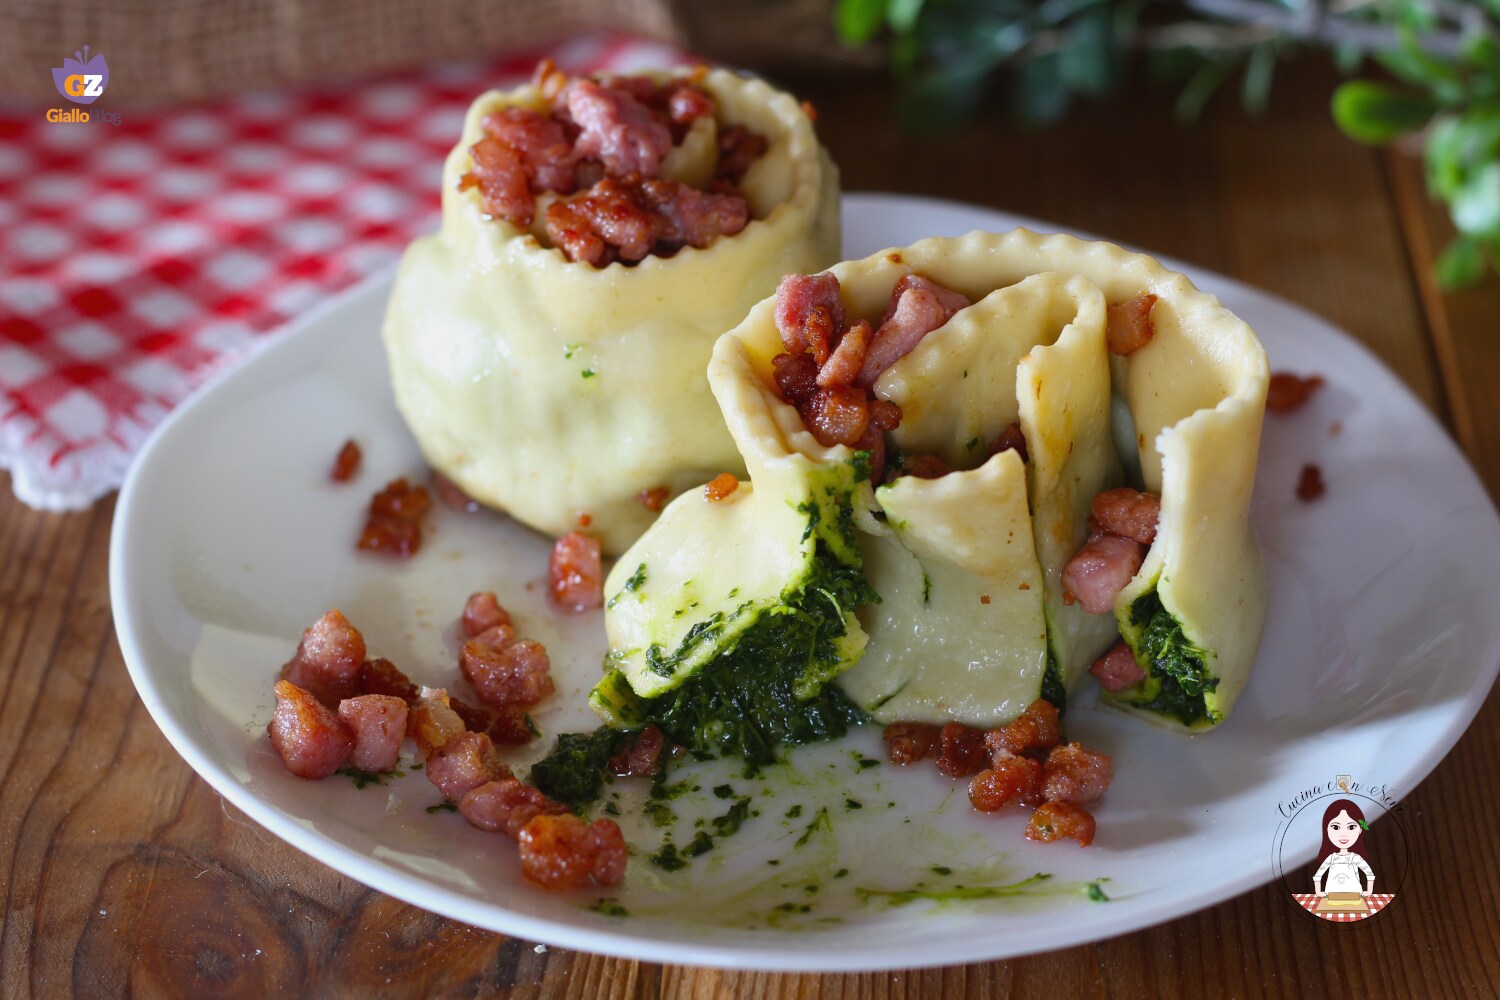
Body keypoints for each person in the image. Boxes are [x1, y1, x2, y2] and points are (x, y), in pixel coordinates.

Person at [1313, 798, 1375, 898]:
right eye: (1336, 827)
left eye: (1351, 827)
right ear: (1326, 830)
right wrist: (1318, 892)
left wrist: (1368, 891)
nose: (1343, 834)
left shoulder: (1355, 858)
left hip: (1354, 896)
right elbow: (1318, 875)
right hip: (1331, 897)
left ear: (1360, 830)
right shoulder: (1331, 858)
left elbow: (1369, 874)